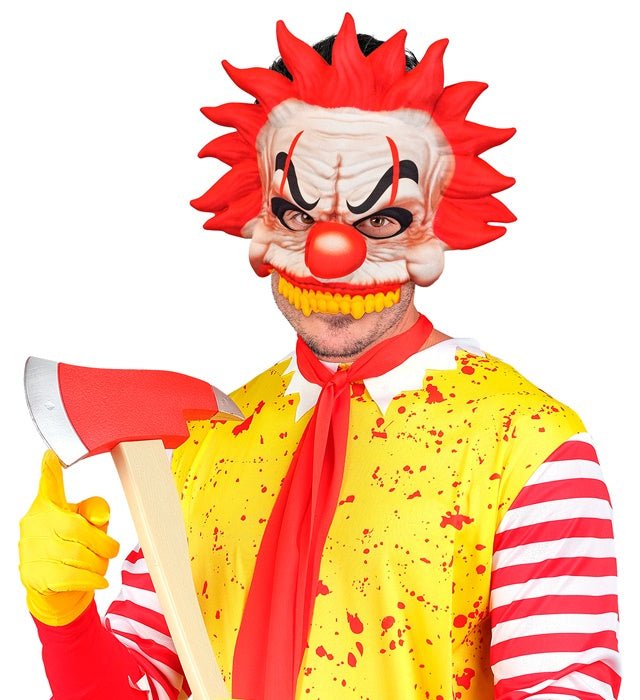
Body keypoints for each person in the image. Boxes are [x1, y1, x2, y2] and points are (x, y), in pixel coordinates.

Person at [19, 13, 621, 700]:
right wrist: (65, 620)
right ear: (258, 221)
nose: (333, 253)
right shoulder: (200, 444)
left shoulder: (530, 449)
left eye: (381, 220)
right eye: (298, 216)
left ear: (435, 227)